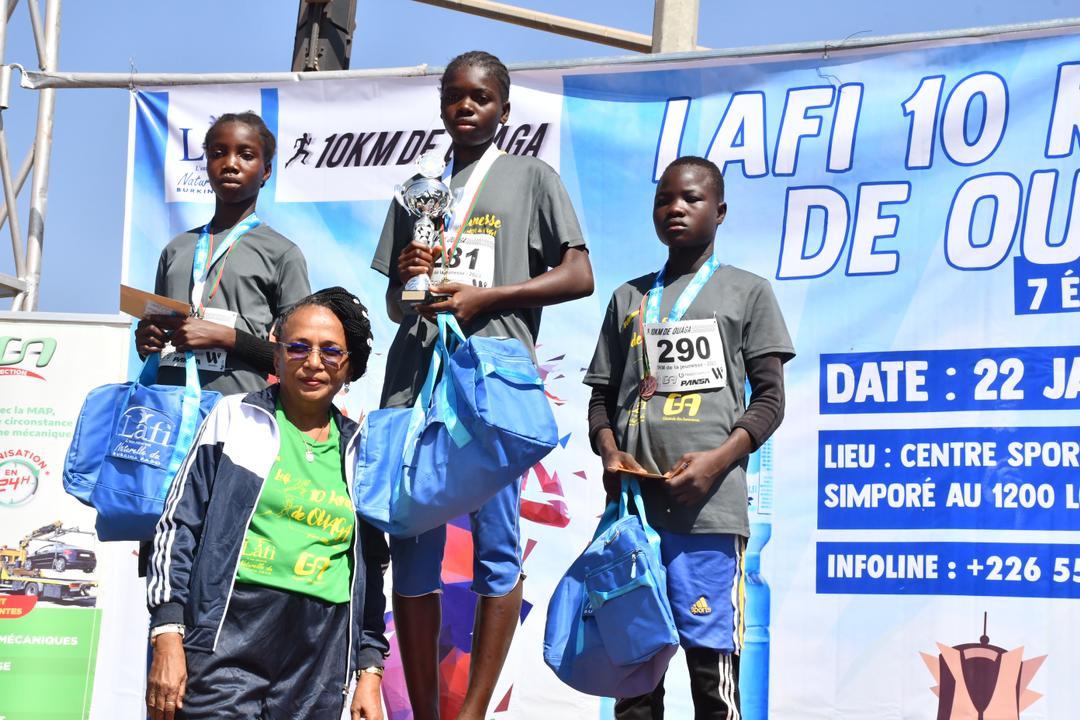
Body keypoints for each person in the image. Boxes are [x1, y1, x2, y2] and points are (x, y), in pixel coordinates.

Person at [371, 50, 594, 720]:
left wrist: (487, 297)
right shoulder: (416, 191)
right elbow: (395, 305)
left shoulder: (531, 178)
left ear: (504, 108)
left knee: (496, 548)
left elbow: (579, 276)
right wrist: (407, 276)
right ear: (441, 104)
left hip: (488, 389)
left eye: (480, 97)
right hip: (415, 383)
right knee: (413, 547)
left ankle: (471, 711)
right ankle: (426, 711)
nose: (465, 107)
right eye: (454, 96)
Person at [584, 156, 794, 720]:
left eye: (691, 199)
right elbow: (601, 399)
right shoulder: (628, 298)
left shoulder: (748, 292)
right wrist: (609, 451)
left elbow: (770, 400)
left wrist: (716, 463)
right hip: (633, 517)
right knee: (634, 678)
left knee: (711, 677)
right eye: (663, 200)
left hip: (709, 515)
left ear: (720, 212)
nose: (674, 208)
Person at [145, 287, 388, 720]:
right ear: (276, 356)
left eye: (331, 351)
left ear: (348, 366)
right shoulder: (235, 417)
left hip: (320, 655)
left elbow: (371, 565)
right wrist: (167, 632)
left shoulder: (362, 450)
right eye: (298, 347)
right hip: (227, 635)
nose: (313, 362)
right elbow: (178, 524)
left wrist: (369, 668)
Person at [135, 111, 311, 397]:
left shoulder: (283, 254)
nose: (230, 164)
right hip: (168, 409)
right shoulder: (176, 249)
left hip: (239, 411)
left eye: (246, 155)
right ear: (207, 164)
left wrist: (227, 337)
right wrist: (146, 342)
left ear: (266, 171)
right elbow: (158, 339)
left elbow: (299, 355)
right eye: (218, 154)